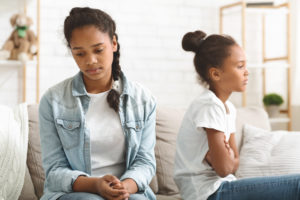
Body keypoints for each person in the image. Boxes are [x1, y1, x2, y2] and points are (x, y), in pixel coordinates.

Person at [39, 7, 156, 200]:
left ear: (114, 44)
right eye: (80, 53)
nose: (91, 61)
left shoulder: (143, 100)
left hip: (127, 190)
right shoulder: (53, 100)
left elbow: (145, 162)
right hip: (75, 193)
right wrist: (96, 185)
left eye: (98, 50)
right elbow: (54, 170)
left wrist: (123, 188)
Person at [173, 30, 300, 200]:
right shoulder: (209, 106)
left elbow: (234, 164)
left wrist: (227, 157)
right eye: (240, 66)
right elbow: (225, 168)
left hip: (223, 186)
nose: (247, 72)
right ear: (216, 74)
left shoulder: (228, 108)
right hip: (208, 193)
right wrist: (227, 158)